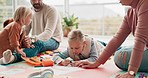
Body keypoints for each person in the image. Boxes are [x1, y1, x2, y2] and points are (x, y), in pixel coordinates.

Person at [79, 0, 148, 78]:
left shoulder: (145, 4)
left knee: (121, 56)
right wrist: (97, 62)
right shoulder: (130, 12)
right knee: (120, 52)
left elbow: (140, 40)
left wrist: (131, 72)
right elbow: (117, 38)